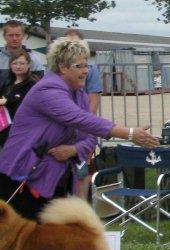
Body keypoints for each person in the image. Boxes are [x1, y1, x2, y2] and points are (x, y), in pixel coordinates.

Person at [0, 37, 158, 250]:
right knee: (16, 240)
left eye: (87, 65)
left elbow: (88, 136)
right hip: (24, 176)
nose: (85, 71)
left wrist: (73, 148)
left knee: (61, 241)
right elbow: (82, 120)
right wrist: (129, 133)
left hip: (56, 176)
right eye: (79, 65)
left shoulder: (79, 93)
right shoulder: (48, 89)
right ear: (62, 67)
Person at [0, 19, 45, 156]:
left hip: (28, 123)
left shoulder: (34, 61)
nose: (14, 38)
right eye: (11, 35)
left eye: (18, 35)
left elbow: (40, 93)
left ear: (23, 36)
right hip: (3, 122)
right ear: (5, 36)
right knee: (2, 164)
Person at [62, 29, 104, 199]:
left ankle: (81, 207)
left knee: (81, 171)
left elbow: (93, 102)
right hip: (62, 129)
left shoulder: (90, 71)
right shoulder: (56, 74)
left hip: (81, 128)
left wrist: (88, 129)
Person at [0, 49, 39, 151]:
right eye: (15, 63)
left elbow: (31, 103)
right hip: (4, 132)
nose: (18, 66)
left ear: (28, 65)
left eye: (22, 63)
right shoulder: (7, 84)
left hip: (24, 133)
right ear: (10, 65)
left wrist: (8, 101)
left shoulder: (33, 84)